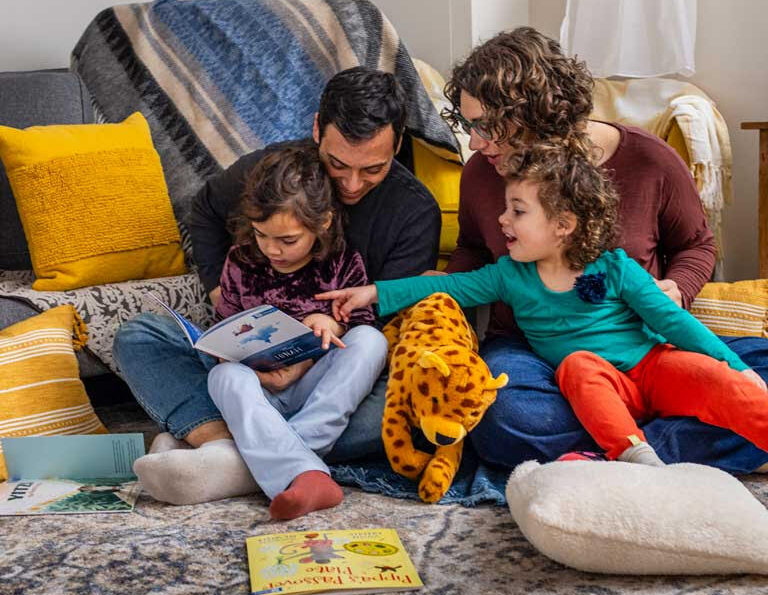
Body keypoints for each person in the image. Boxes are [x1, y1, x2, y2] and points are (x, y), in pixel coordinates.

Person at [430, 26, 768, 471]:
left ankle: (612, 449)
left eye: (488, 127)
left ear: (543, 112)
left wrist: (678, 287)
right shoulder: (481, 173)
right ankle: (673, 439)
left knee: (758, 370)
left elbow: (696, 245)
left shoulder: (651, 160)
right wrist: (444, 293)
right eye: (469, 125)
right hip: (533, 351)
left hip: (644, 348)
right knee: (505, 421)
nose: (475, 142)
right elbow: (474, 249)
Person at [318, 143, 768, 469]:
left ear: (563, 225)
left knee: (721, 377)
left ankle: (735, 418)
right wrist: (374, 292)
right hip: (598, 387)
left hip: (652, 368)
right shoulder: (510, 276)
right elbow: (451, 286)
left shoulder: (615, 267)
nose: (502, 220)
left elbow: (673, 321)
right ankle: (637, 458)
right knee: (577, 367)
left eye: (517, 211)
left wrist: (734, 367)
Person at [114, 67, 440, 505]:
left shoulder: (414, 212)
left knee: (402, 395)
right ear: (316, 131)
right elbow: (206, 211)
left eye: (373, 169)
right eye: (338, 164)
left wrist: (304, 361)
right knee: (139, 337)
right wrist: (219, 293)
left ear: (398, 144)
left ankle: (229, 457)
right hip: (248, 376)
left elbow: (380, 321)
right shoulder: (275, 175)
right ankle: (263, 450)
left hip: (332, 376)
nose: (351, 184)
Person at [207, 144, 387, 520]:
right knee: (223, 375)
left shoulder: (340, 261)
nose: (272, 249)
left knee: (371, 341)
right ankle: (302, 468)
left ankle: (282, 460)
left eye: (287, 240)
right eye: (261, 235)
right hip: (261, 394)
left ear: (321, 224)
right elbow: (226, 328)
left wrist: (333, 323)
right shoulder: (240, 261)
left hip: (316, 394)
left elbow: (365, 321)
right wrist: (232, 356)